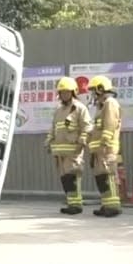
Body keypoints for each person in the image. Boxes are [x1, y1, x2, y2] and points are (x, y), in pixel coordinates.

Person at [44, 76, 93, 215]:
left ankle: (76, 204)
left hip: (73, 151)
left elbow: (87, 127)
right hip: (59, 152)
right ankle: (71, 202)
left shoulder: (79, 108)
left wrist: (82, 141)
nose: (64, 94)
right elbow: (54, 128)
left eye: (67, 92)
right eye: (62, 92)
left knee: (72, 178)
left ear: (73, 92)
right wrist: (48, 141)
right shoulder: (58, 110)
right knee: (65, 179)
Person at [86, 75, 122, 217]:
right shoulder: (100, 106)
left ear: (100, 89)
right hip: (99, 150)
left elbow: (110, 124)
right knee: (101, 178)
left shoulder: (110, 103)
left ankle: (113, 206)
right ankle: (106, 204)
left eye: (94, 90)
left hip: (106, 149)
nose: (92, 94)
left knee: (108, 177)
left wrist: (104, 143)